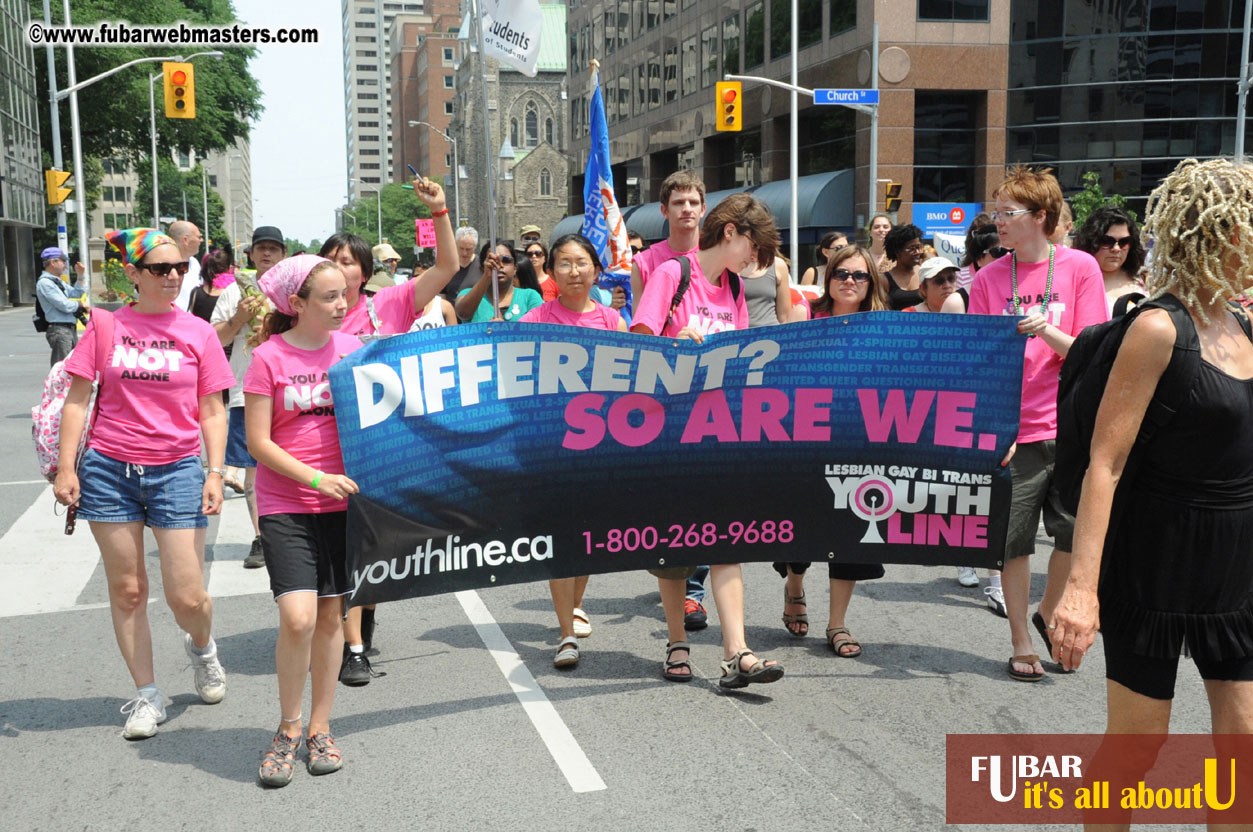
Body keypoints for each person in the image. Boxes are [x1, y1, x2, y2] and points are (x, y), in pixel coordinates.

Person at [1051, 157, 1253, 784]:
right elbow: (1104, 465)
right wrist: (1081, 591)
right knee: (1140, 745)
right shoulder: (1160, 328)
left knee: (1244, 741)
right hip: (1154, 562)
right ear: (1220, 232)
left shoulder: (1244, 324)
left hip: (1236, 567)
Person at [53, 228, 235, 740]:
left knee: (187, 597)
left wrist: (215, 471)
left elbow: (212, 409)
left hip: (177, 470)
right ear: (133, 275)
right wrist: (67, 468)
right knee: (128, 590)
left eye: (179, 267)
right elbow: (77, 400)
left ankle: (202, 648)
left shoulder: (197, 332)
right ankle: (148, 696)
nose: (174, 276)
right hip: (109, 470)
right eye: (160, 269)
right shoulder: (107, 326)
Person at [631, 193, 785, 688]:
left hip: (720, 431)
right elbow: (637, 347)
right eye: (754, 249)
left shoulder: (735, 288)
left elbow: (738, 353)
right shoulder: (672, 275)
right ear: (731, 234)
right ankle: (677, 641)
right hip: (671, 433)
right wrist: (676, 346)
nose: (757, 262)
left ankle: (736, 652)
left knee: (727, 540)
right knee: (675, 545)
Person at [967, 165, 1108, 682]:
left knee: (1072, 534)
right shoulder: (987, 278)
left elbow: (1089, 355)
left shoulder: (1079, 268)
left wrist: (1045, 329)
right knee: (1014, 539)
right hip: (1015, 429)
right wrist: (991, 431)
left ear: (1041, 217)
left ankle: (1047, 612)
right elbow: (978, 364)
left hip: (1070, 425)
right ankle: (1021, 640)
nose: (998, 222)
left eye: (1010, 213)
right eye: (998, 212)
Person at [244, 254, 363, 787]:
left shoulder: (356, 350)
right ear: (297, 304)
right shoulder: (267, 358)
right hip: (287, 503)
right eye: (330, 297)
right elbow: (258, 443)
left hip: (345, 504)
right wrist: (316, 479)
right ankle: (288, 728)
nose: (343, 305)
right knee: (298, 619)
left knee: (332, 618)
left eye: (346, 294)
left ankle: (320, 727)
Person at [519, 234, 627, 668]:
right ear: (551, 272)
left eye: (582, 263)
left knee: (587, 540)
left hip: (601, 449)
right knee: (563, 540)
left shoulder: (612, 321)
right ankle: (566, 634)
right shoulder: (532, 321)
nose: (574, 271)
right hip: (552, 449)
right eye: (564, 263)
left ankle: (576, 604)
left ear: (596, 271)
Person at [778, 245, 888, 653]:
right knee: (800, 527)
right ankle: (794, 585)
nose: (849, 281)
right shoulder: (807, 314)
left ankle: (837, 624)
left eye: (859, 275)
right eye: (842, 273)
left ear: (871, 281)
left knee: (850, 529)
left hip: (860, 442)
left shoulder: (884, 326)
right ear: (829, 276)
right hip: (806, 439)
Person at [212, 227, 284, 570]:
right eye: (261, 249)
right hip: (247, 391)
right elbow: (213, 338)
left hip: (291, 390)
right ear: (251, 255)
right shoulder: (231, 293)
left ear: (283, 254)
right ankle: (261, 538)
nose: (267, 254)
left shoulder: (294, 290)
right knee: (254, 470)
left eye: (273, 249)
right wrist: (240, 317)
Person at [629, 170, 706, 317]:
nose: (687, 209)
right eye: (679, 203)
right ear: (665, 211)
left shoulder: (719, 256)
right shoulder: (643, 264)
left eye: (694, 202)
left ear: (703, 210)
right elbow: (640, 330)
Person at [1074, 205, 1146, 316]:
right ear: (1091, 241)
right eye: (1107, 241)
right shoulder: (1075, 283)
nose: (1116, 249)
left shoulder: (1145, 280)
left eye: (1124, 241)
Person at [454, 241, 544, 322]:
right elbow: (463, 314)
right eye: (492, 261)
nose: (499, 265)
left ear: (515, 268)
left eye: (506, 260)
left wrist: (504, 330)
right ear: (482, 269)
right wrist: (487, 276)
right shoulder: (467, 294)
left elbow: (540, 328)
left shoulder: (530, 296)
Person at [35, 246, 87, 366]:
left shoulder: (57, 282)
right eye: (63, 260)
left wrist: (80, 276)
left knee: (72, 367)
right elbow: (64, 305)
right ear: (53, 262)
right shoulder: (45, 283)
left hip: (68, 329)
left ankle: (68, 386)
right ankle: (59, 386)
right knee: (61, 369)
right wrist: (80, 305)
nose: (65, 264)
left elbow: (76, 293)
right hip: (60, 330)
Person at [881, 224, 926, 310]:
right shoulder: (884, 280)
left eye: (918, 247)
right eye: (912, 248)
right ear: (898, 251)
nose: (917, 252)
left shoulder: (926, 274)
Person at [739, 254, 793, 326]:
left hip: (771, 332)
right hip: (740, 333)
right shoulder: (729, 264)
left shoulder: (778, 265)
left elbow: (785, 318)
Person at [169, 220, 204, 311]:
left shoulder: (194, 263)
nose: (201, 240)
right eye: (199, 237)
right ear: (185, 240)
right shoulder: (164, 265)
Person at [442, 226, 480, 302]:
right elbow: (442, 296)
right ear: (455, 245)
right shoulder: (447, 267)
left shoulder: (482, 266)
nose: (464, 253)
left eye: (468, 249)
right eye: (461, 248)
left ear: (475, 247)